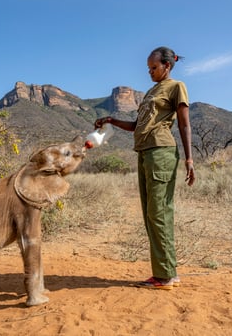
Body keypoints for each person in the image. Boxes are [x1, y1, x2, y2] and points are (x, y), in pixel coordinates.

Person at [94, 46, 195, 290]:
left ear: (167, 66)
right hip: (144, 152)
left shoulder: (176, 86)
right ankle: (165, 272)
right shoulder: (152, 91)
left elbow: (184, 124)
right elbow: (137, 125)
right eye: (148, 68)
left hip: (161, 152)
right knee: (151, 214)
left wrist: (189, 159)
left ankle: (165, 276)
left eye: (154, 67)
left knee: (159, 212)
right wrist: (110, 120)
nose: (150, 72)